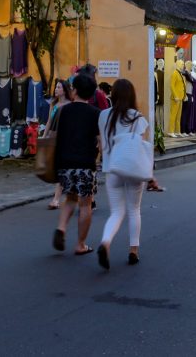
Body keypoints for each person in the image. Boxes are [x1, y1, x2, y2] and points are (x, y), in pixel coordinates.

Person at [95, 79, 150, 270]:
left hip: (112, 168)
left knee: (117, 212)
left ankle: (106, 242)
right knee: (134, 210)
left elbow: (102, 143)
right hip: (133, 169)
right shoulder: (137, 117)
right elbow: (141, 147)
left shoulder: (103, 116)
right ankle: (133, 250)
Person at [52, 74, 100, 255]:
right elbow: (98, 140)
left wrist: (57, 164)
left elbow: (58, 137)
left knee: (70, 198)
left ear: (76, 90)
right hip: (85, 164)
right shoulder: (95, 113)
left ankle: (62, 227)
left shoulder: (64, 111)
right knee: (85, 204)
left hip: (66, 162)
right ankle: (80, 244)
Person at [44, 79, 72, 210]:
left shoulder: (70, 105)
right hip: (53, 137)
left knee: (62, 169)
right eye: (56, 87)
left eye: (59, 87)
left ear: (65, 90)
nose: (56, 89)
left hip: (65, 139)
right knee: (59, 169)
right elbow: (49, 121)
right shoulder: (54, 105)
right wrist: (44, 136)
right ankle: (63, 196)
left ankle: (56, 199)